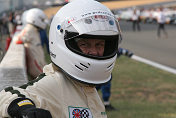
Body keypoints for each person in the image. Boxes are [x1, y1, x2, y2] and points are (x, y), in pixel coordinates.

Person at [0, 0, 122, 118]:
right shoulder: (55, 83)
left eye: (99, 45)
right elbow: (8, 95)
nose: (94, 52)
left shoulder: (88, 87)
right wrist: (24, 108)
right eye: (85, 44)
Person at [13, 8, 49, 79]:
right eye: (41, 20)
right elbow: (17, 40)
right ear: (34, 19)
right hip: (36, 66)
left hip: (40, 63)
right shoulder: (29, 29)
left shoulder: (34, 29)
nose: (43, 22)